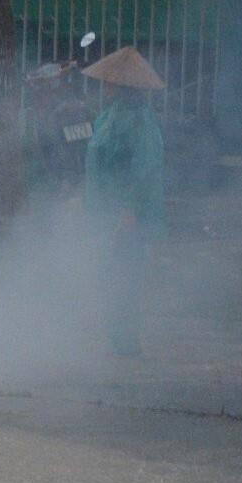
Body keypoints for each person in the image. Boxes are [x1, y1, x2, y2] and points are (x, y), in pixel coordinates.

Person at [82, 46, 165, 359]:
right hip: (106, 210)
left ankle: (127, 345)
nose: (105, 87)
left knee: (125, 278)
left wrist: (129, 211)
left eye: (110, 82)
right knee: (109, 276)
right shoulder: (110, 115)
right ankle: (118, 341)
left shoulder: (141, 122)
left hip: (128, 216)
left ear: (123, 85)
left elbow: (144, 169)